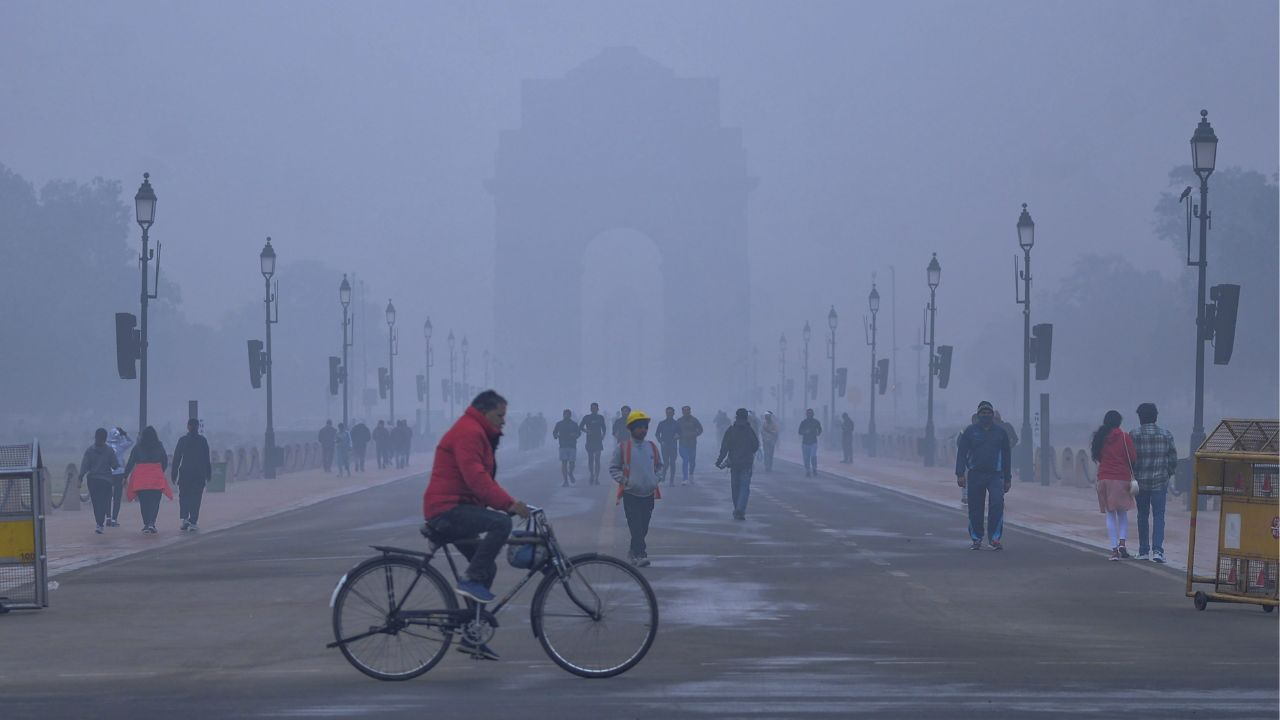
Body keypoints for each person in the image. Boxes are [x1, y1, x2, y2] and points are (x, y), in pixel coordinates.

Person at [422, 390, 530, 661]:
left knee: (487, 567)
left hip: (457, 506)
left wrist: (504, 502)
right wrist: (508, 505)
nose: (504, 421)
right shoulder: (469, 432)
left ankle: (472, 636)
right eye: (500, 415)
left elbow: (480, 483)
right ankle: (469, 580)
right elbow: (477, 479)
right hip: (447, 509)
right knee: (501, 524)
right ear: (484, 412)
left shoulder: (476, 431)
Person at [955, 401, 1013, 550]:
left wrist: (1008, 478)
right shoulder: (970, 432)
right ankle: (976, 538)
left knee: (997, 505)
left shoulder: (1000, 433)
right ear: (978, 415)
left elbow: (1007, 456)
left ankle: (994, 538)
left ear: (993, 415)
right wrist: (960, 473)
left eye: (988, 413)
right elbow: (961, 453)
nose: (986, 416)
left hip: (995, 475)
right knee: (975, 507)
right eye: (983, 413)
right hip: (975, 474)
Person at [609, 410, 663, 567]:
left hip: (648, 493)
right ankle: (641, 554)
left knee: (643, 527)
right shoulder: (623, 448)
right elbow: (614, 468)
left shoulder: (652, 447)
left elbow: (660, 466)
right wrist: (624, 481)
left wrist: (656, 479)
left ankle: (633, 551)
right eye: (639, 427)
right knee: (636, 526)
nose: (643, 430)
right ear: (631, 429)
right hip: (631, 494)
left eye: (645, 427)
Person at [1130, 403, 1178, 563]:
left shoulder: (1134, 435)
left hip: (1141, 482)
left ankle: (1143, 550)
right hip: (1160, 481)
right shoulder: (1166, 434)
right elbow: (1172, 459)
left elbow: (1129, 459)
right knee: (1159, 515)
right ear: (1156, 416)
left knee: (1142, 515)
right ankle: (1158, 551)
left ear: (1140, 417)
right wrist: (1167, 473)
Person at [1092, 410, 1137, 561]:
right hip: (1122, 477)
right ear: (1119, 422)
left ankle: (1114, 550)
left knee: (1110, 514)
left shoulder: (1100, 437)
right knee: (1122, 512)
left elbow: (1097, 456)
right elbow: (1132, 457)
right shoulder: (1124, 437)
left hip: (1104, 477)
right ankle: (1122, 543)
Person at [124, 426, 172, 534]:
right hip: (156, 476)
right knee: (155, 501)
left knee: (144, 502)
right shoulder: (159, 446)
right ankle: (152, 523)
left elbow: (131, 462)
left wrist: (125, 475)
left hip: (141, 478)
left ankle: (146, 523)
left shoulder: (137, 447)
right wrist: (160, 470)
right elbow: (164, 460)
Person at [716, 408, 761, 520]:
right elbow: (755, 445)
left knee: (735, 487)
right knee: (744, 487)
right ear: (746, 418)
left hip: (734, 463)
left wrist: (719, 460)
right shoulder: (750, 431)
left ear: (736, 417)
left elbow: (724, 447)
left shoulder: (730, 430)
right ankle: (740, 509)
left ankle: (737, 508)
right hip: (746, 463)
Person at [171, 418, 212, 532]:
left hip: (185, 473)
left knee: (184, 496)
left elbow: (177, 458)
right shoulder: (202, 441)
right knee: (196, 497)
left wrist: (174, 474)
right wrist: (208, 473)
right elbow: (206, 459)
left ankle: (185, 518)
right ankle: (193, 521)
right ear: (198, 427)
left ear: (188, 427)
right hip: (199, 474)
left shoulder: (183, 440)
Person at [79, 428, 120, 534]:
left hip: (93, 480)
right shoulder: (109, 450)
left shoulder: (89, 450)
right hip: (106, 481)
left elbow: (84, 466)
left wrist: (80, 478)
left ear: (95, 437)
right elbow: (115, 465)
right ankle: (100, 522)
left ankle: (99, 523)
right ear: (105, 438)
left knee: (96, 502)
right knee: (104, 502)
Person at [105, 427, 133, 527]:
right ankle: (114, 519)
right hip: (119, 472)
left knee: (107, 496)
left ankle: (107, 517)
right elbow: (131, 441)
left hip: (108, 472)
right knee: (117, 497)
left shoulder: (106, 446)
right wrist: (125, 434)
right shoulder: (121, 446)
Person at [552, 409, 582, 486]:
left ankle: (570, 473)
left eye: (568, 414)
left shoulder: (574, 424)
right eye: (565, 414)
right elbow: (554, 432)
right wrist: (556, 436)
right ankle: (565, 481)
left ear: (570, 415)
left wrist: (575, 435)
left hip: (572, 445)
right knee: (564, 463)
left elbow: (579, 433)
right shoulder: (559, 424)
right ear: (563, 415)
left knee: (572, 464)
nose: (566, 416)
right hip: (562, 445)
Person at [580, 403, 607, 485]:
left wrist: (603, 435)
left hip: (598, 440)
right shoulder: (586, 417)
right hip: (590, 440)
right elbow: (580, 427)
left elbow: (604, 428)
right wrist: (586, 431)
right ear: (590, 409)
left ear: (598, 409)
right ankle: (591, 474)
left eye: (595, 408)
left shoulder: (600, 417)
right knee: (591, 459)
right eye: (592, 408)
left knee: (597, 459)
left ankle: (597, 477)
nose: (594, 409)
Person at [676, 406, 703, 484]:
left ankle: (691, 474)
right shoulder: (679, 421)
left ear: (690, 411)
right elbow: (675, 430)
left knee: (692, 461)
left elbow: (701, 429)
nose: (686, 412)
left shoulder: (694, 420)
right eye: (684, 411)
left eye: (687, 411)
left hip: (692, 444)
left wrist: (695, 434)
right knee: (685, 459)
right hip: (682, 444)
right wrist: (676, 435)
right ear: (682, 412)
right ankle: (685, 478)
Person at [654, 407, 680, 486]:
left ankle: (671, 480)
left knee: (672, 462)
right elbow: (657, 434)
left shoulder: (676, 423)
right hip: (664, 445)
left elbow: (680, 433)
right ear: (666, 413)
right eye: (668, 412)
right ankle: (664, 475)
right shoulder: (662, 423)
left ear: (673, 413)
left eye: (670, 412)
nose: (669, 414)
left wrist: (678, 436)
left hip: (673, 445)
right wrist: (661, 441)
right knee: (666, 462)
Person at [798, 409, 822, 477]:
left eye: (811, 413)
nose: (810, 415)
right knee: (806, 457)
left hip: (813, 442)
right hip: (805, 442)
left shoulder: (816, 422)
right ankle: (807, 470)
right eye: (808, 413)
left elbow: (820, 429)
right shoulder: (803, 422)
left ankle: (814, 468)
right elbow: (799, 431)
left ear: (813, 414)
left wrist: (818, 433)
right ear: (806, 414)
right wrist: (805, 432)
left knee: (813, 456)